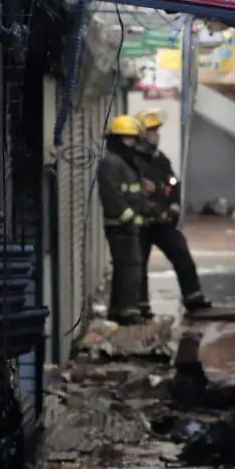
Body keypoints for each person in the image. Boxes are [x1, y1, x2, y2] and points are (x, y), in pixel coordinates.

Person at [132, 109, 213, 317]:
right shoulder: (132, 162)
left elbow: (172, 183)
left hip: (164, 222)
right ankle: (140, 306)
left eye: (157, 131)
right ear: (141, 134)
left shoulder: (160, 160)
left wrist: (174, 206)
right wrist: (154, 211)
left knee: (181, 254)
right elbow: (136, 193)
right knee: (138, 265)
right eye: (152, 131)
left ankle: (193, 297)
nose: (156, 135)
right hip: (141, 224)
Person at [98, 115, 149, 326]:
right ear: (117, 140)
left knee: (124, 268)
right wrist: (129, 219)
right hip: (120, 226)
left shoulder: (123, 162)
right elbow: (112, 196)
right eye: (127, 139)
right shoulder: (111, 163)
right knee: (131, 267)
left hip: (127, 225)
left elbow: (130, 192)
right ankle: (128, 312)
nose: (132, 143)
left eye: (133, 139)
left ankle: (117, 310)